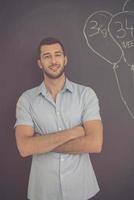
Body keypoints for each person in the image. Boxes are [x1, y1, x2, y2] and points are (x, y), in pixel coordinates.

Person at [14, 37, 103, 200]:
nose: (53, 60)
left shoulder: (86, 94)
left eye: (57, 54)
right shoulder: (26, 100)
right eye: (46, 56)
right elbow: (25, 148)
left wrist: (41, 143)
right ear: (40, 63)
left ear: (65, 59)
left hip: (81, 190)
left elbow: (95, 143)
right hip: (43, 192)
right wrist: (75, 132)